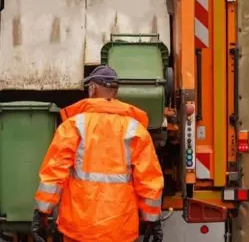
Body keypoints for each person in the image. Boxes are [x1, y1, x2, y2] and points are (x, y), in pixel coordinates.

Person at [31, 65, 165, 242]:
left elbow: (54, 173)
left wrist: (41, 212)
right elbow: (149, 180)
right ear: (115, 92)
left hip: (78, 228)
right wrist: (152, 220)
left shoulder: (73, 126)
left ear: (92, 89)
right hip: (120, 229)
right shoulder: (135, 130)